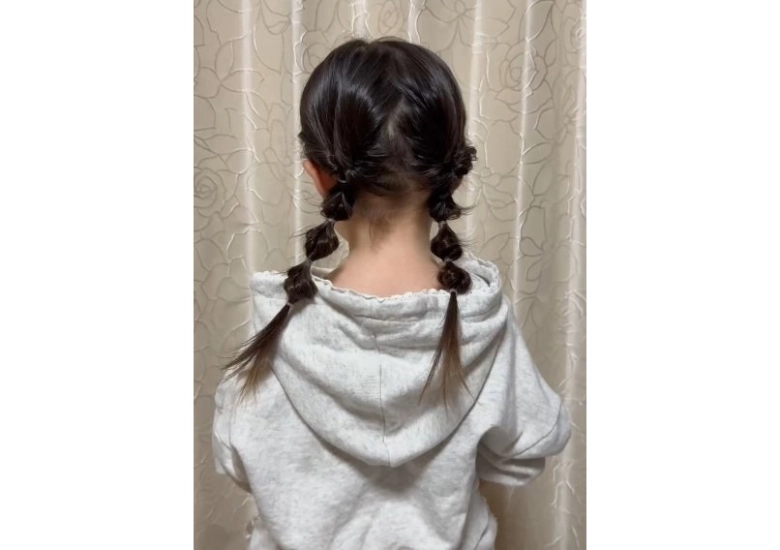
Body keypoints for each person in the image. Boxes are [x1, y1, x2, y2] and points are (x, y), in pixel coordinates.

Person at [213, 37, 571, 550]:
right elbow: (525, 451)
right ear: (453, 176)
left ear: (319, 175)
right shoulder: (481, 321)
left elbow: (236, 458)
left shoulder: (276, 325)